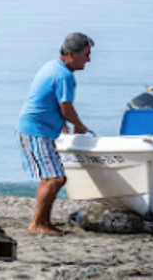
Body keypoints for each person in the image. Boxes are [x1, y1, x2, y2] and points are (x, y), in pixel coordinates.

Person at [16, 32, 93, 235]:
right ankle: (37, 223)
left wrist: (64, 127)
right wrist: (80, 126)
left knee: (51, 177)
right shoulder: (64, 75)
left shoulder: (53, 66)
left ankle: (43, 222)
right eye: (85, 54)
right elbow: (65, 108)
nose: (89, 59)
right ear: (70, 54)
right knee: (55, 179)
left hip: (39, 129)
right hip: (35, 130)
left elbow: (51, 104)